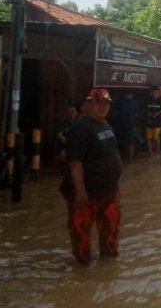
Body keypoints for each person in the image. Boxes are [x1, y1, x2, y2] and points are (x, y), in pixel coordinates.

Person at [59, 88, 122, 266]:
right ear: (87, 105)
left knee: (110, 231)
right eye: (97, 103)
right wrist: (80, 191)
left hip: (108, 192)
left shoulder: (105, 123)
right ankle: (81, 271)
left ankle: (108, 270)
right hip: (86, 194)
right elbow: (75, 162)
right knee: (81, 232)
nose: (102, 107)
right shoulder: (80, 128)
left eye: (105, 103)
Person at [112, 92, 138, 163]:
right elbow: (136, 114)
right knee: (131, 142)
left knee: (120, 142)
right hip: (130, 124)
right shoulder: (135, 102)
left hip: (120, 124)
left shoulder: (119, 101)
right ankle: (130, 160)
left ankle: (121, 159)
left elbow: (115, 113)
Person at [143, 85, 161, 158]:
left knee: (156, 138)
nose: (155, 93)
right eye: (154, 92)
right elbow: (144, 108)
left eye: (156, 92)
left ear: (159, 93)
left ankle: (157, 153)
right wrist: (148, 113)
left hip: (158, 122)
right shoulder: (147, 99)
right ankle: (150, 153)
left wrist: (157, 113)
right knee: (148, 138)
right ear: (151, 92)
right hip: (148, 122)